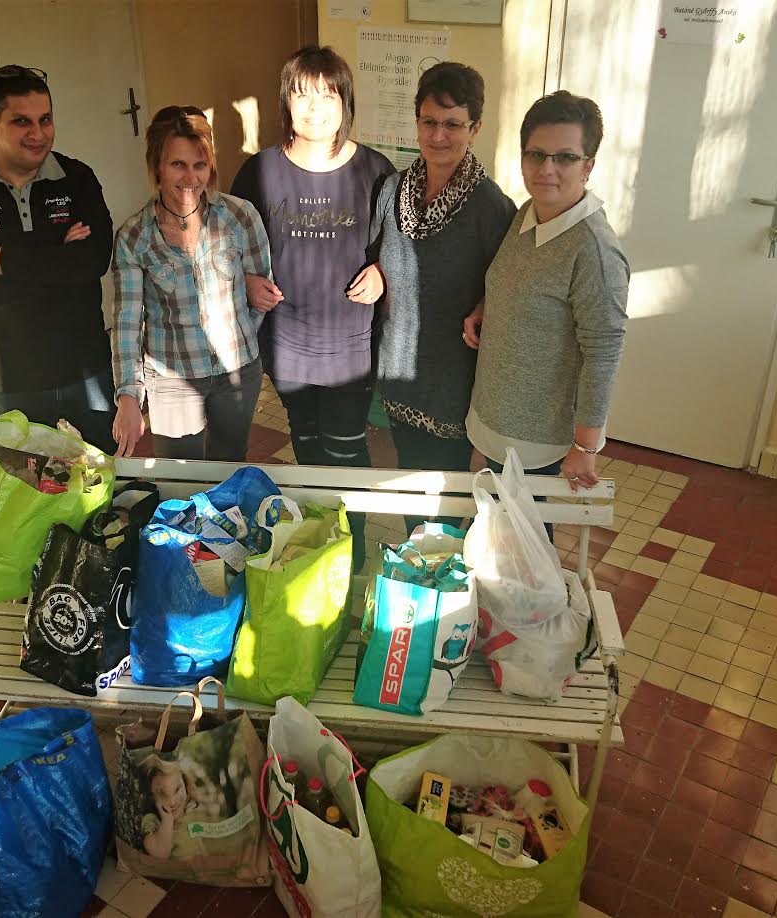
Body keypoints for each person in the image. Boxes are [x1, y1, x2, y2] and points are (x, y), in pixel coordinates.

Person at [231, 46, 395, 564]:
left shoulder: (376, 171)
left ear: (346, 103)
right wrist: (247, 280)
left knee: (346, 450)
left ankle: (353, 552)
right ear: (287, 101)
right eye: (303, 95)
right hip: (286, 342)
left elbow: (400, 247)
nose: (316, 108)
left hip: (350, 344)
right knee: (305, 444)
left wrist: (383, 273)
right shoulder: (259, 171)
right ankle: (318, 553)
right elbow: (230, 245)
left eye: (328, 96)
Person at [465, 90, 629, 531]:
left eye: (565, 157)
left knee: (526, 545)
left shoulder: (593, 250)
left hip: (537, 434)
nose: (546, 169)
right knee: (496, 535)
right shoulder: (528, 213)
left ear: (588, 166)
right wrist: (487, 306)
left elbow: (603, 353)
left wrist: (586, 447)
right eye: (535, 154)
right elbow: (517, 279)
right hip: (497, 414)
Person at [0, 65, 116, 453]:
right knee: (26, 478)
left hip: (86, 368)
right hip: (13, 374)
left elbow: (93, 262)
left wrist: (5, 260)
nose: (38, 133)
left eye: (45, 119)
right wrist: (59, 257)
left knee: (105, 470)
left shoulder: (77, 179)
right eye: (22, 121)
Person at [370, 62, 515, 534]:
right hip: (400, 368)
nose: (438, 136)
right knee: (411, 480)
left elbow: (509, 283)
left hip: (454, 379)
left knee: (449, 494)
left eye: (452, 124)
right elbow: (376, 255)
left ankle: (446, 574)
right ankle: (415, 566)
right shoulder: (392, 190)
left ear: (475, 128)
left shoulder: (491, 206)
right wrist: (376, 272)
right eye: (429, 121)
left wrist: (487, 304)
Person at [111, 107, 273, 461]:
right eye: (177, 164)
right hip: (172, 378)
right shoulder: (134, 237)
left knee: (229, 466)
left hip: (238, 371)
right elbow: (127, 323)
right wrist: (128, 395)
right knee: (180, 473)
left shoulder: (240, 216)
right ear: (156, 166)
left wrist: (240, 337)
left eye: (200, 165)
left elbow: (262, 294)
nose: (191, 177)